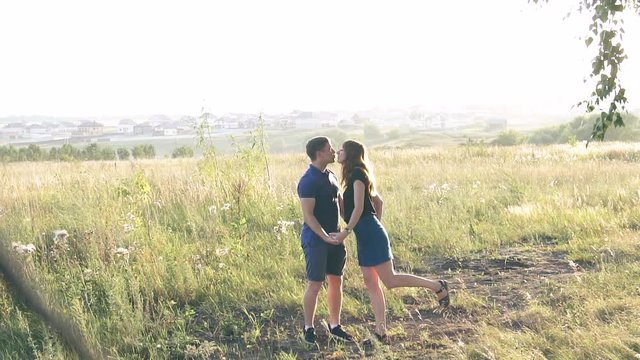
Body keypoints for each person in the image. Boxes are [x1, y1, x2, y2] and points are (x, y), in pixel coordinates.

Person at [330, 139, 450, 341]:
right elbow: (377, 202)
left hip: (370, 233)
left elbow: (360, 208)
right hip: (365, 234)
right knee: (371, 283)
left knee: (390, 280)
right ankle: (381, 331)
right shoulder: (351, 177)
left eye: (341, 149)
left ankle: (437, 285)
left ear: (349, 153)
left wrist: (348, 230)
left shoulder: (358, 173)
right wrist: (344, 208)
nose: (338, 152)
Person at [297, 136, 354, 345]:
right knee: (315, 283)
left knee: (336, 280)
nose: (333, 152)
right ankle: (308, 328)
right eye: (330, 149)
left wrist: (353, 225)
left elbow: (342, 208)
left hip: (335, 238)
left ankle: (335, 325)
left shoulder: (331, 176)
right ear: (319, 153)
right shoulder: (308, 181)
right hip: (316, 240)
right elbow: (308, 216)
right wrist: (324, 237)